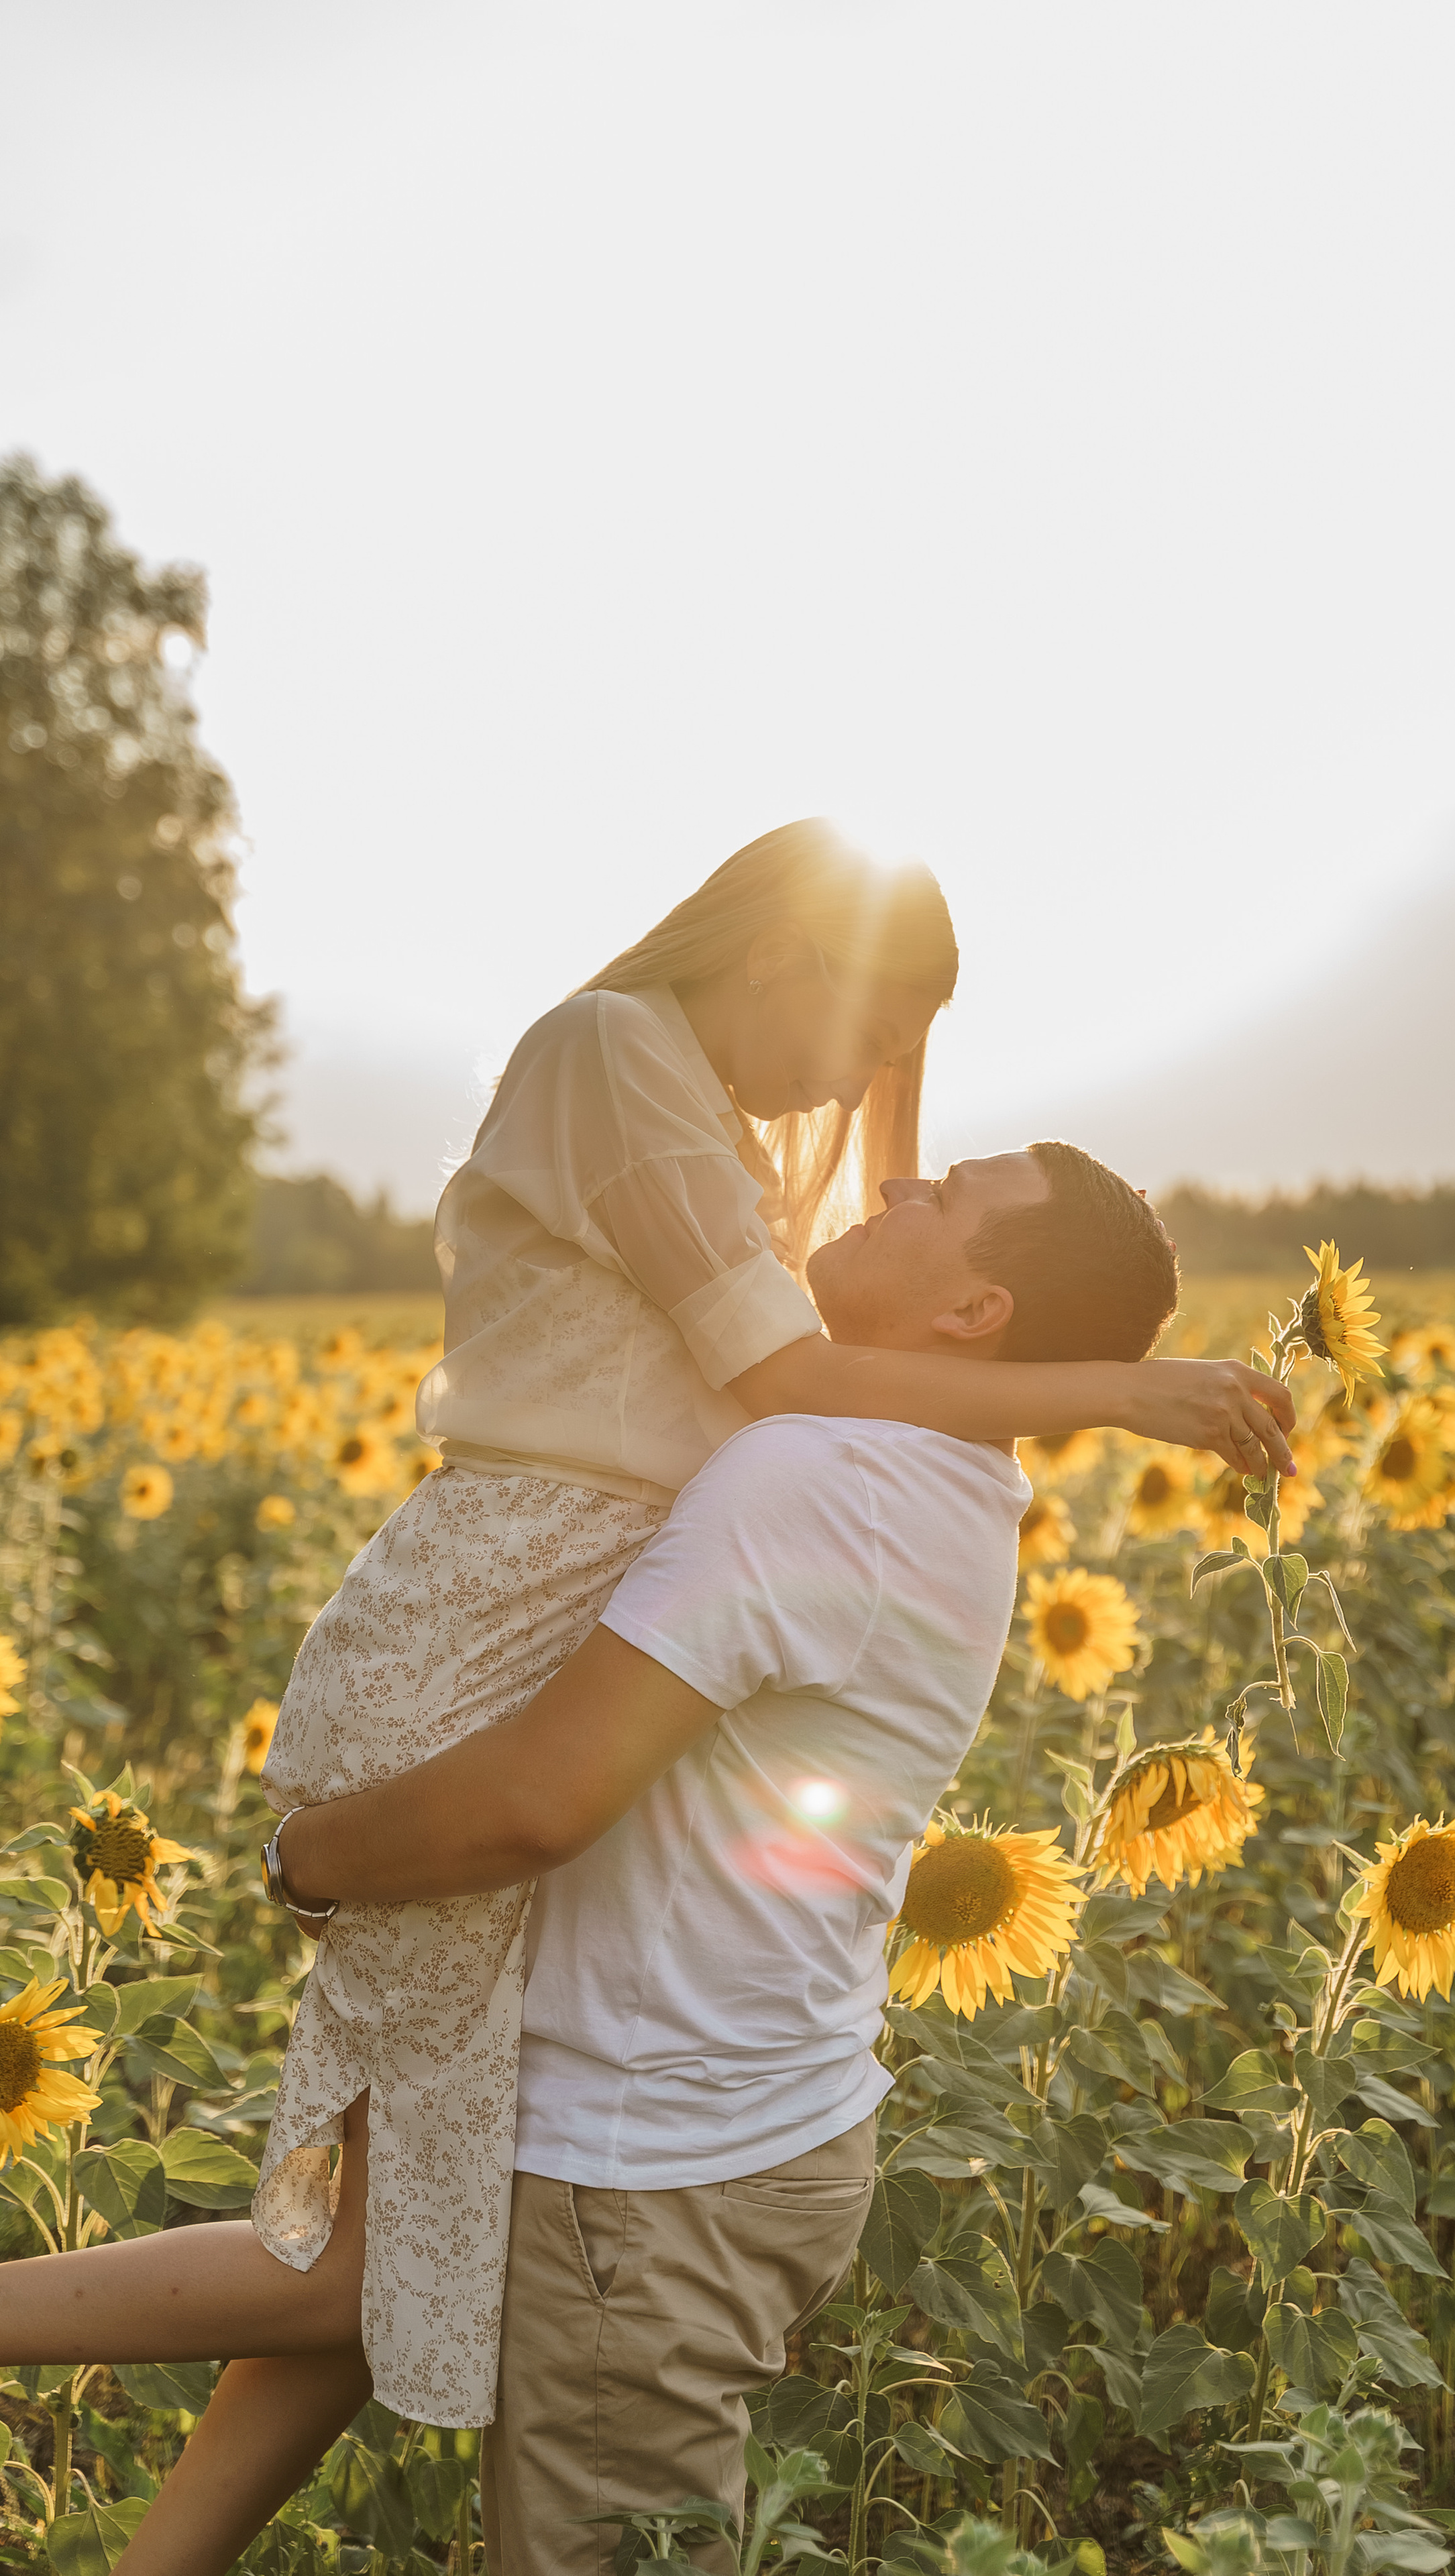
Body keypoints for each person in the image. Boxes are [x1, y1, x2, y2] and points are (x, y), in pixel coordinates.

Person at [0, 819, 1289, 2561]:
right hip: (480, 1643)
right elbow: (804, 1360)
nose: (856, 1125)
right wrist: (1117, 1395)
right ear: (780, 966)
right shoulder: (618, 1059)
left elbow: (902, 1256)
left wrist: (911, 997)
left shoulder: (737, 1126)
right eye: (856, 1037)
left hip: (540, 1630)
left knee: (390, 2247)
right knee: (374, 2251)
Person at [179, 1134, 1183, 2573]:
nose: (892, 1184)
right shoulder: (944, 1475)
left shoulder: (812, 1476)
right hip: (767, 2115)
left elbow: (539, 1798)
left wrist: (307, 1858)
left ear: (974, 1314)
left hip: (642, 2177)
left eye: (942, 1196)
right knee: (339, 2289)